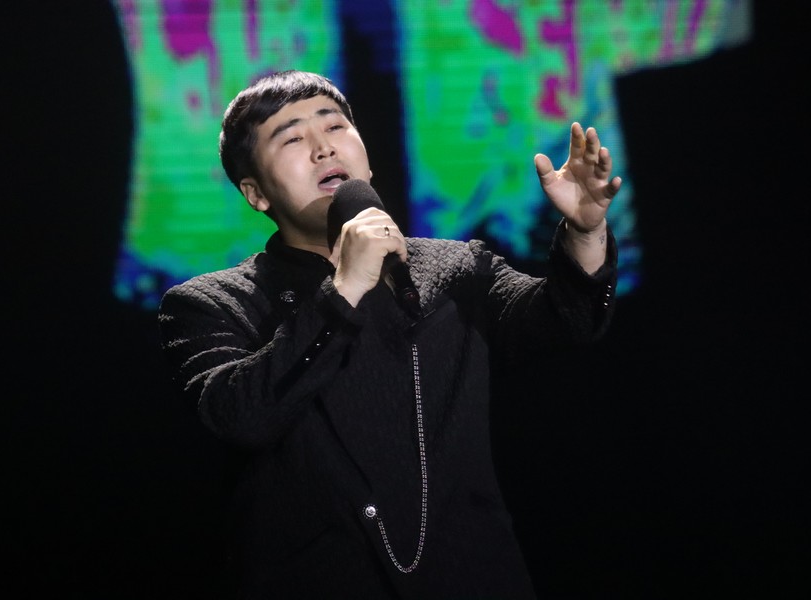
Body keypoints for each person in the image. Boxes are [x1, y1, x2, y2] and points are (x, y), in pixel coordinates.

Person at [158, 69, 620, 599]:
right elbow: (241, 415)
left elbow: (566, 320)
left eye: (335, 126)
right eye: (291, 138)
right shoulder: (211, 303)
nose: (323, 148)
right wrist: (344, 287)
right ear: (255, 192)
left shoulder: (454, 268)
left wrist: (585, 232)